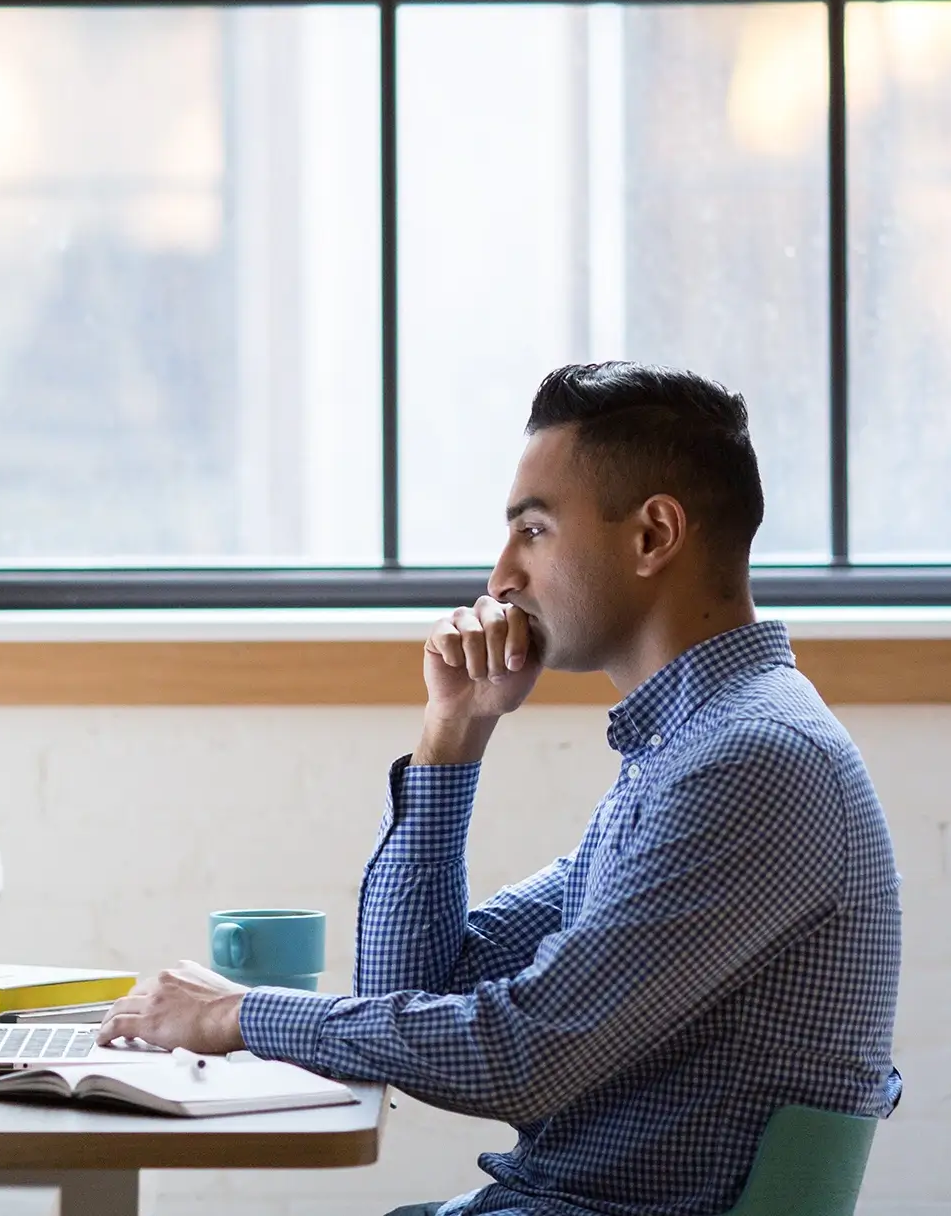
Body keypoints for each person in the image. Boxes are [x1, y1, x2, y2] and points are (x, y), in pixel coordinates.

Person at [103, 362, 902, 1216]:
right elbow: (409, 990)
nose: (500, 578)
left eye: (533, 530)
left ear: (652, 536)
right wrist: (455, 732)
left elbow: (522, 1057)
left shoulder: (750, 762)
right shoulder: (684, 753)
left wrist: (237, 1015)